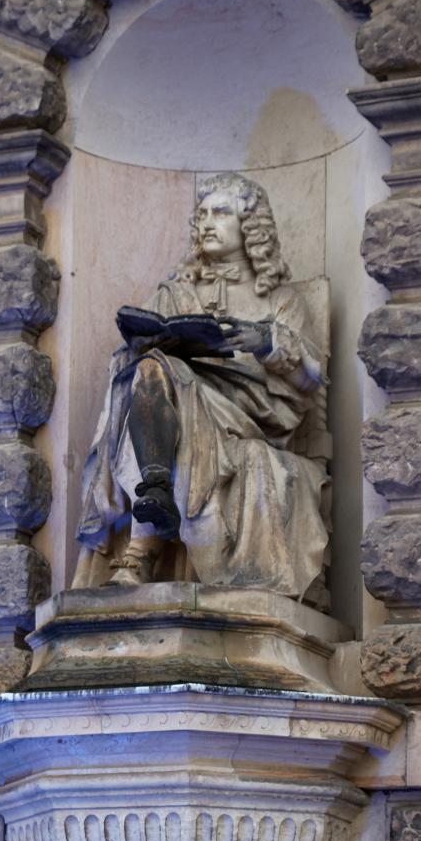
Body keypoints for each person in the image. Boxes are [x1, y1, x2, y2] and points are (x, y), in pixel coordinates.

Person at [71, 173, 328, 596]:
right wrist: (144, 347)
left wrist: (266, 341)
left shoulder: (279, 299)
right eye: (203, 214)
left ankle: (141, 549)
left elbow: (311, 377)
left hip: (247, 411)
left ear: (250, 225)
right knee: (151, 371)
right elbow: (131, 356)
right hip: (175, 399)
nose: (207, 222)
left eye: (221, 213)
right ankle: (155, 489)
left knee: (165, 380)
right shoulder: (173, 295)